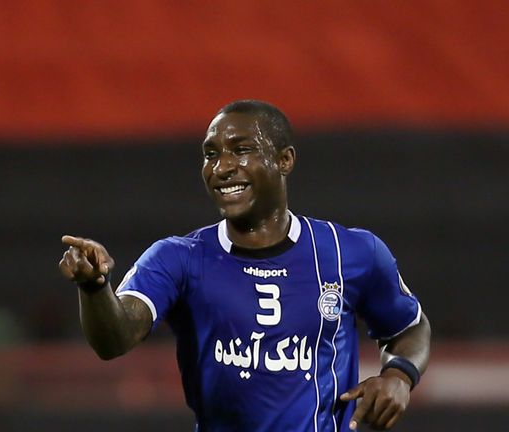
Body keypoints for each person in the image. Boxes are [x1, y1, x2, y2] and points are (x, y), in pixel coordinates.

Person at [58, 100, 430, 431]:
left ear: (284, 160)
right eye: (210, 154)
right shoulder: (179, 258)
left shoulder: (350, 252)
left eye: (241, 150)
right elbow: (114, 338)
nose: (222, 167)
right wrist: (95, 288)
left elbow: (410, 328)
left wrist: (399, 375)